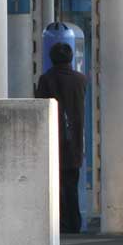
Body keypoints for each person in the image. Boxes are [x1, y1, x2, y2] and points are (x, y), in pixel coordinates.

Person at [36, 42, 87, 234]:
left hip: (54, 140)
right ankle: (74, 222)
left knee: (56, 185)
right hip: (74, 141)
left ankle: (62, 222)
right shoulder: (81, 79)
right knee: (71, 184)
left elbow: (40, 108)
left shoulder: (46, 79)